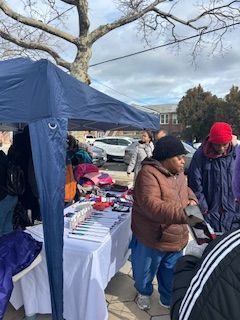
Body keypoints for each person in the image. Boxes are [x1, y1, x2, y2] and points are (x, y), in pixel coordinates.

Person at [130, 135, 198, 311]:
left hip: (176, 236)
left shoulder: (180, 173)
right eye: (179, 158)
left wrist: (191, 198)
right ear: (166, 158)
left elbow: (185, 189)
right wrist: (186, 214)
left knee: (171, 273)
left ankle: (167, 298)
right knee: (145, 272)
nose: (183, 161)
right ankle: (143, 293)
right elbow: (152, 206)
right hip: (152, 236)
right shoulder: (148, 174)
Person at [171, 229, 240, 320]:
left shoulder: (232, 248)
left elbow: (186, 315)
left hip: (177, 242)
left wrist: (189, 261)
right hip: (158, 240)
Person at [188, 122, 239, 233]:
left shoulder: (237, 154)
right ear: (211, 141)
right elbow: (194, 186)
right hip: (207, 215)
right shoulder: (199, 155)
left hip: (234, 215)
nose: (221, 148)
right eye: (217, 144)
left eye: (224, 144)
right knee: (205, 247)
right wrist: (203, 209)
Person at [0, 150, 18, 236]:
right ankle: (8, 248)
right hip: (11, 195)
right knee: (7, 229)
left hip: (3, 198)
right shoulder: (4, 157)